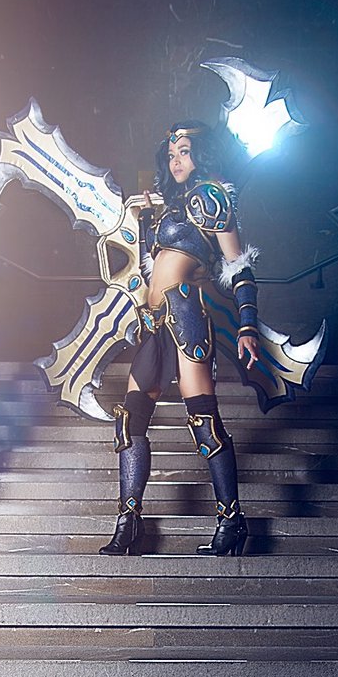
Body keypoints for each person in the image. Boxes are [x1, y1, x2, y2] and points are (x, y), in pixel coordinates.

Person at [98, 120, 260, 558]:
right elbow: (150, 266)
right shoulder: (171, 208)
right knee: (130, 422)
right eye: (171, 155)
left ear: (201, 155)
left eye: (184, 151)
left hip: (187, 317)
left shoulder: (213, 199)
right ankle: (129, 523)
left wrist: (247, 325)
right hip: (153, 324)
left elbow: (239, 267)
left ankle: (231, 522)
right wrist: (145, 218)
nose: (176, 161)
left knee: (204, 422)